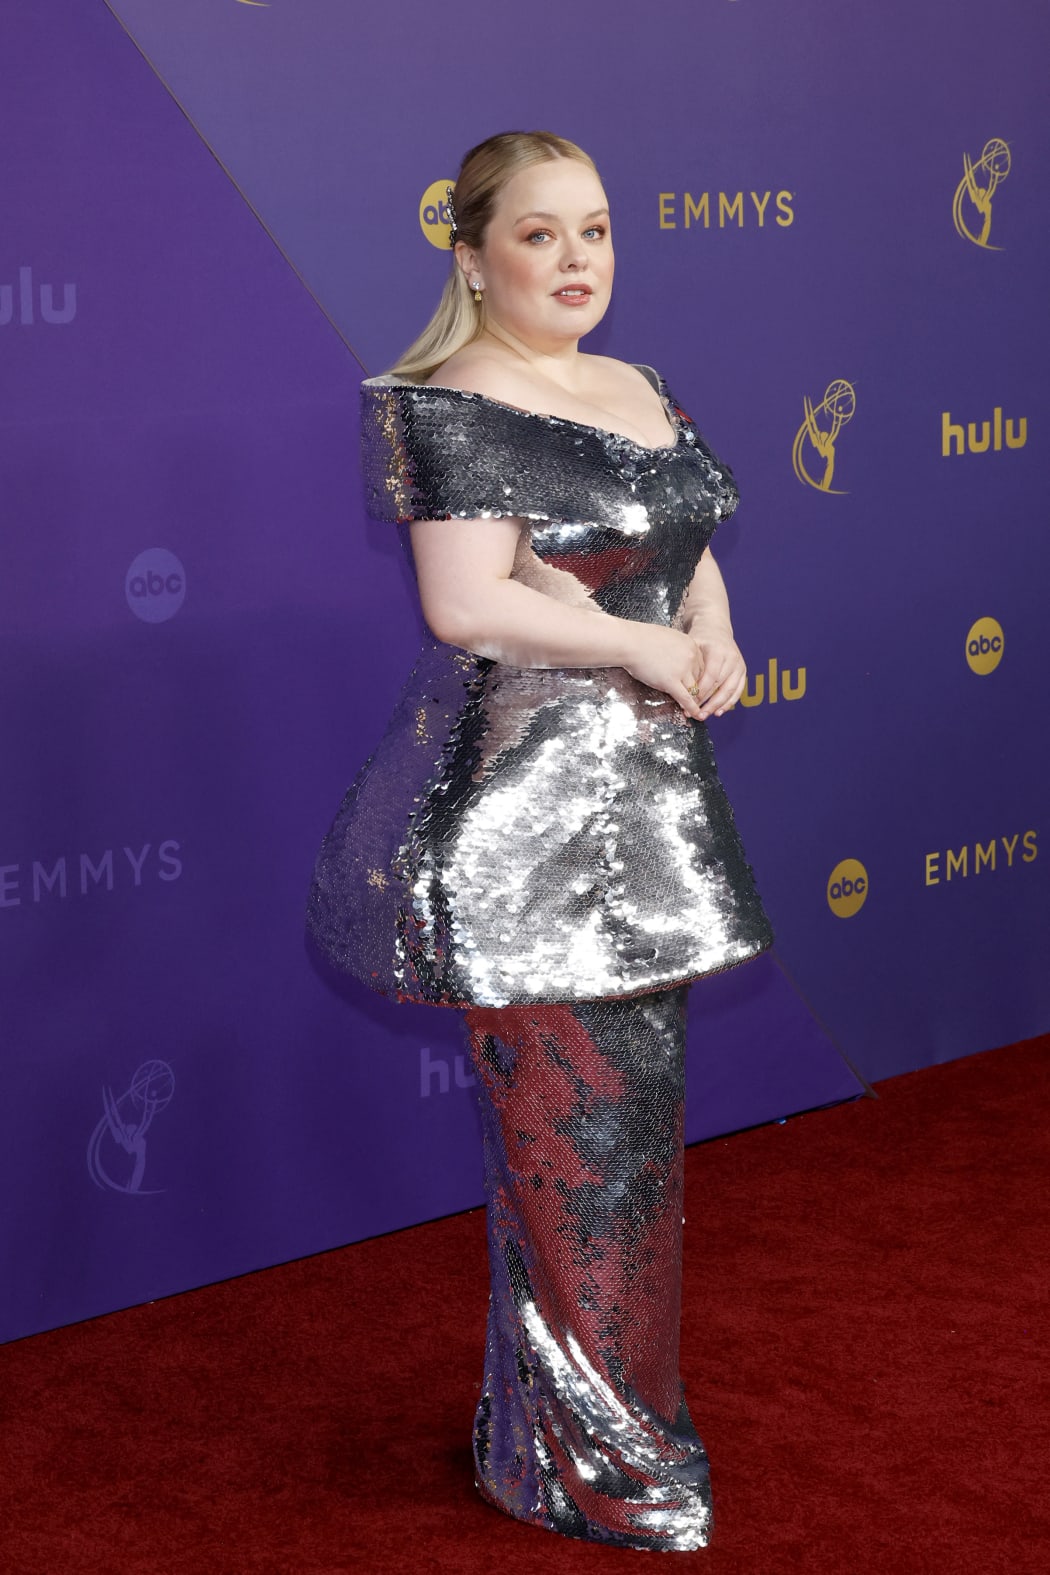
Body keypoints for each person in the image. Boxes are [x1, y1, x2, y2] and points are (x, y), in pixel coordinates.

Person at [308, 130, 773, 1552]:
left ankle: (562, 1431)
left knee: (623, 1145)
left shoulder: (634, 386)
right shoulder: (451, 402)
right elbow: (466, 608)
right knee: (581, 1148)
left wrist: (712, 632)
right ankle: (593, 1460)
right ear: (472, 254)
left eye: (598, 232)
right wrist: (640, 645)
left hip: (646, 817)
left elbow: (687, 536)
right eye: (540, 236)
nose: (577, 263)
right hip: (526, 833)